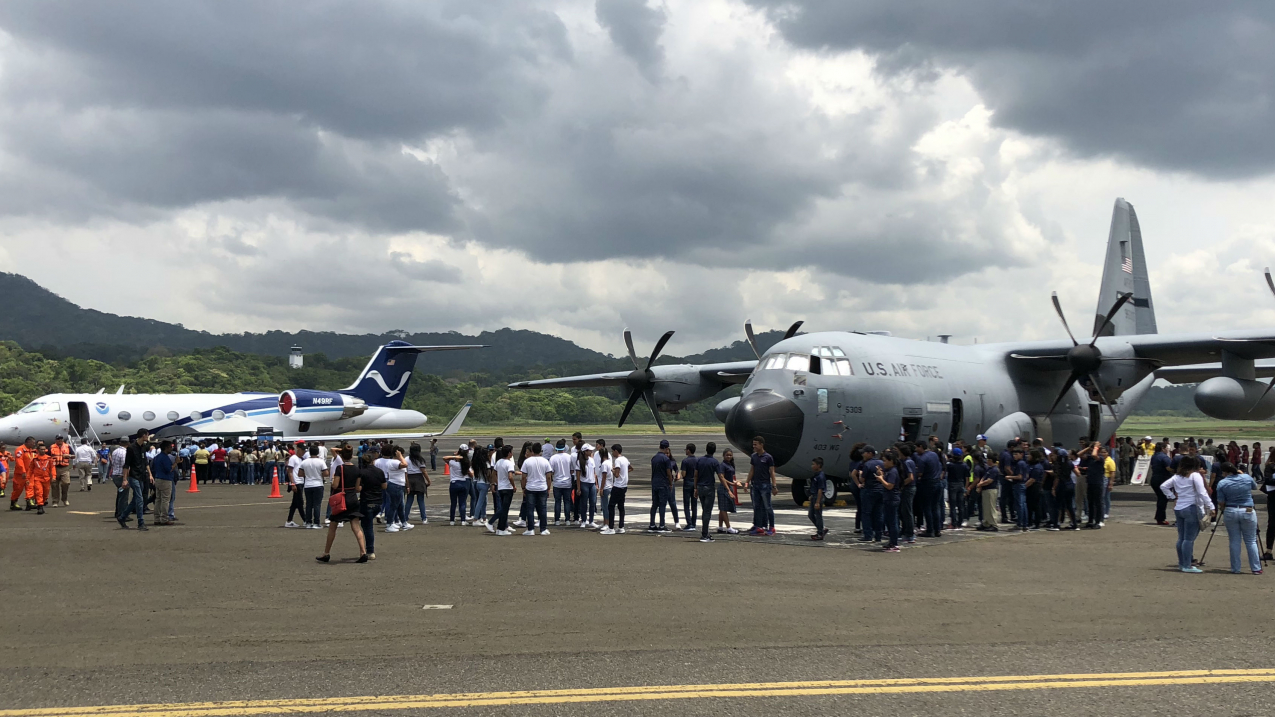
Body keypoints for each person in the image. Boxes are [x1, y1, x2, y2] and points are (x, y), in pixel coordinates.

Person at [1160, 456, 1215, 573]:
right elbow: (1202, 492)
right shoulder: (1195, 476)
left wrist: (1172, 496)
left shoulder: (1177, 476)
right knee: (1189, 539)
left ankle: (1182, 563)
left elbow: (1163, 486)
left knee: (1181, 537)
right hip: (1192, 508)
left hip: (1179, 507)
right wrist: (1211, 506)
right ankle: (1187, 565)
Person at [317, 447, 368, 564]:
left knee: (333, 526)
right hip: (353, 498)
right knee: (356, 526)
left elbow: (335, 485)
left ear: (342, 456)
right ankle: (363, 552)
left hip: (342, 499)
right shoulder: (357, 469)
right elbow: (357, 488)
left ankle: (326, 553)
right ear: (351, 456)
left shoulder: (340, 468)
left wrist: (334, 479)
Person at [1215, 462, 1262, 575]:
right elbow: (1254, 486)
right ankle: (1256, 568)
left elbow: (1221, 501)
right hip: (1247, 509)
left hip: (1230, 510)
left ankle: (1236, 568)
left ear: (1225, 472)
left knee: (1234, 540)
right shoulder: (1246, 477)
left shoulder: (1222, 483)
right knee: (1251, 540)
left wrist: (1223, 508)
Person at [120, 430, 153, 530]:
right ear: (143, 436)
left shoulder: (143, 447)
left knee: (135, 499)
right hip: (133, 476)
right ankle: (140, 522)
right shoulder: (131, 448)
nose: (148, 437)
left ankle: (122, 517)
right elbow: (126, 465)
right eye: (147, 435)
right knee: (139, 499)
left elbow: (146, 462)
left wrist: (150, 474)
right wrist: (125, 479)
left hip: (142, 475)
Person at [518, 442, 552, 536]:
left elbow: (523, 477)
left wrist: (523, 488)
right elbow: (548, 476)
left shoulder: (527, 461)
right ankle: (543, 529)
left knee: (530, 509)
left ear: (532, 451)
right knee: (543, 508)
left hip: (531, 487)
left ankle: (530, 529)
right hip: (542, 487)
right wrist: (548, 488)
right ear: (540, 451)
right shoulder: (545, 461)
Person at [746, 436, 777, 536]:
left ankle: (771, 527)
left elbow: (772, 472)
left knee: (767, 506)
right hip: (755, 485)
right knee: (757, 506)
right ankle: (759, 526)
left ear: (761, 445)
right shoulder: (754, 456)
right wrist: (747, 482)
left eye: (756, 444)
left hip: (765, 485)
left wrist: (774, 486)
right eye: (753, 444)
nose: (753, 446)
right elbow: (752, 470)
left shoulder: (768, 457)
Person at [376, 444, 410, 532]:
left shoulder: (392, 462)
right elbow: (405, 464)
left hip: (396, 484)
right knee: (393, 505)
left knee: (398, 505)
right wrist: (400, 456)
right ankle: (389, 524)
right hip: (396, 485)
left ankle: (402, 523)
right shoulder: (395, 462)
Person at [694, 442, 722, 542]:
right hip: (709, 488)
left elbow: (696, 475)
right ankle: (705, 534)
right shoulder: (714, 462)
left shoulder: (700, 460)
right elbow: (720, 476)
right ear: (714, 450)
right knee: (707, 512)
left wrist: (695, 488)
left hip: (700, 487)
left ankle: (705, 532)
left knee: (704, 510)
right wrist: (727, 487)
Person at [648, 440, 678, 532]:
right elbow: (668, 473)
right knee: (662, 505)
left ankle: (652, 524)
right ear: (666, 448)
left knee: (654, 504)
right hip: (663, 484)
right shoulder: (666, 459)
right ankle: (662, 525)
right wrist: (670, 483)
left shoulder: (654, 458)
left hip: (655, 483)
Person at [600, 444, 630, 535]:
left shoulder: (617, 460)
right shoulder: (625, 459)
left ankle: (611, 527)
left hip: (618, 486)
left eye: (613, 451)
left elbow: (616, 475)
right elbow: (631, 468)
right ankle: (621, 527)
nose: (612, 453)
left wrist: (613, 471)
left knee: (611, 506)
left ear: (616, 451)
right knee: (621, 507)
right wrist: (624, 473)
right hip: (624, 486)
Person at [877, 448, 902, 552]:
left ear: (891, 461)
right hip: (889, 498)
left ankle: (894, 543)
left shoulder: (893, 471)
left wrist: (881, 479)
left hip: (892, 499)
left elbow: (889, 486)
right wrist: (881, 475)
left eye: (885, 460)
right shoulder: (890, 471)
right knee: (890, 521)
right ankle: (892, 542)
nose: (884, 463)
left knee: (892, 522)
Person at [299, 445, 329, 530]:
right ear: (318, 452)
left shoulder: (304, 462)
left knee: (309, 504)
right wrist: (319, 474)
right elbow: (326, 473)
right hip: (318, 484)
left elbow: (300, 474)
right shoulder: (320, 462)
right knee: (317, 504)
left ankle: (308, 522)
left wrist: (308, 474)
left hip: (308, 484)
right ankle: (316, 522)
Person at [1077, 443, 1107, 529]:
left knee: (1098, 502)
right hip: (1090, 482)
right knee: (1090, 502)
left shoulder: (1100, 459)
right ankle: (1090, 521)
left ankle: (1098, 521)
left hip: (1098, 482)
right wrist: (1088, 448)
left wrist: (1096, 447)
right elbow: (1078, 455)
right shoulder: (1090, 458)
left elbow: (1094, 455)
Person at [492, 445, 517, 535]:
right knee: (505, 509)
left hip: (501, 487)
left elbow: (493, 473)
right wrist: (513, 486)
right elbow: (510, 476)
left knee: (503, 508)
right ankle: (499, 527)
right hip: (507, 488)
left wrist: (497, 482)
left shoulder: (499, 462)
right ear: (509, 453)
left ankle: (500, 528)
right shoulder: (509, 463)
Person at [549, 439, 575, 526]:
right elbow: (572, 470)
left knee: (557, 502)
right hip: (567, 482)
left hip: (557, 483)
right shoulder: (569, 457)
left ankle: (557, 520)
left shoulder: (553, 458)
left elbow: (551, 471)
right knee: (567, 501)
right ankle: (567, 519)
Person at [151, 441, 177, 525]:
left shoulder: (157, 457)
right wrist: (176, 463)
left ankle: (157, 518)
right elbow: (169, 469)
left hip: (158, 478)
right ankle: (164, 518)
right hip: (165, 479)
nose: (171, 448)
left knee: (158, 499)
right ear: (166, 448)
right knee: (165, 500)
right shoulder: (165, 458)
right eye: (170, 447)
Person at [405, 443, 431, 526]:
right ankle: (424, 518)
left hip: (409, 478)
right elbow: (424, 471)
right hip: (419, 479)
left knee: (409, 500)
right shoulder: (420, 460)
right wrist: (428, 481)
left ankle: (405, 518)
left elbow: (405, 471)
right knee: (421, 501)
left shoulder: (406, 459)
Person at [716, 449, 741, 535]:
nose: (729, 457)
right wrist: (730, 487)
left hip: (728, 487)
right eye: (727, 455)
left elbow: (730, 478)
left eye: (730, 455)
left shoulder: (730, 465)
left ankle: (720, 527)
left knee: (722, 508)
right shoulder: (722, 465)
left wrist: (735, 482)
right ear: (723, 456)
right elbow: (722, 478)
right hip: (724, 488)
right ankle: (728, 527)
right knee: (723, 509)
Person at [974, 453, 1000, 532]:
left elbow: (990, 480)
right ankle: (986, 523)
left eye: (988, 460)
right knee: (986, 508)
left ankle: (994, 524)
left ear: (991, 460)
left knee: (991, 508)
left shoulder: (995, 469)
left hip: (991, 490)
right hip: (986, 490)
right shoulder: (989, 469)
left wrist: (980, 484)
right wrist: (980, 484)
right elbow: (984, 477)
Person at [1149, 442, 1173, 525]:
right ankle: (1161, 518)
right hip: (1162, 479)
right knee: (1163, 499)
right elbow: (1169, 468)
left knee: (1161, 498)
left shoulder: (1154, 456)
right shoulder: (1164, 457)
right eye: (1167, 448)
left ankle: (1159, 517)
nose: (1168, 449)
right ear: (1163, 448)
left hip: (1155, 478)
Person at [575, 442, 599, 529]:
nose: (591, 452)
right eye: (590, 451)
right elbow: (578, 476)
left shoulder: (591, 460)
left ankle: (591, 520)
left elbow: (594, 473)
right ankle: (584, 520)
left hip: (592, 483)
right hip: (584, 483)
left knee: (593, 502)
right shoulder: (579, 462)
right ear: (585, 451)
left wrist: (596, 484)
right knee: (583, 503)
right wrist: (578, 488)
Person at [444, 446, 469, 525]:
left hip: (454, 483)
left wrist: (454, 456)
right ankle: (463, 520)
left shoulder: (453, 463)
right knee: (462, 503)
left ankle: (452, 520)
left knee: (453, 503)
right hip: (463, 482)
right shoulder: (466, 462)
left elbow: (445, 458)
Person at [9, 436, 35, 510]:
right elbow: (19, 461)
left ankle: (29, 502)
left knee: (30, 487)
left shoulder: (31, 450)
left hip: (30, 473)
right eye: (32, 443)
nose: (33, 444)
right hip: (20, 474)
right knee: (18, 488)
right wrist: (23, 471)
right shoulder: (20, 450)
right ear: (28, 442)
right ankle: (13, 502)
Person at [28, 442, 54, 514]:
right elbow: (30, 469)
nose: (43, 450)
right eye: (41, 449)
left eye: (44, 449)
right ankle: (40, 506)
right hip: (37, 478)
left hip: (47, 479)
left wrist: (53, 476)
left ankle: (42, 501)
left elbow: (52, 468)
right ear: (38, 450)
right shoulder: (34, 459)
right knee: (39, 492)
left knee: (46, 493)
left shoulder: (49, 458)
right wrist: (28, 478)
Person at [48, 435, 71, 507]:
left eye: (61, 439)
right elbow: (46, 456)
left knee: (66, 483)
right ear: (55, 440)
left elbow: (74, 455)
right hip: (54, 468)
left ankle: (64, 499)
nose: (60, 440)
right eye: (58, 439)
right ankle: (55, 501)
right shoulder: (51, 447)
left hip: (65, 468)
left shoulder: (67, 446)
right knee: (54, 485)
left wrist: (69, 456)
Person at [679, 443, 698, 531]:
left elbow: (683, 474)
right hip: (695, 483)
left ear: (688, 450)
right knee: (694, 504)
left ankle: (689, 523)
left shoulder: (685, 461)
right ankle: (694, 523)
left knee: (687, 504)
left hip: (687, 483)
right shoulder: (698, 460)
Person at [807, 457, 827, 541]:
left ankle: (820, 532)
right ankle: (821, 529)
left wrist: (818, 502)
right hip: (814, 496)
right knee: (811, 514)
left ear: (818, 465)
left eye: (813, 464)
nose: (812, 466)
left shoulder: (820, 476)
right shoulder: (816, 475)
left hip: (818, 497)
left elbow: (820, 490)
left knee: (818, 515)